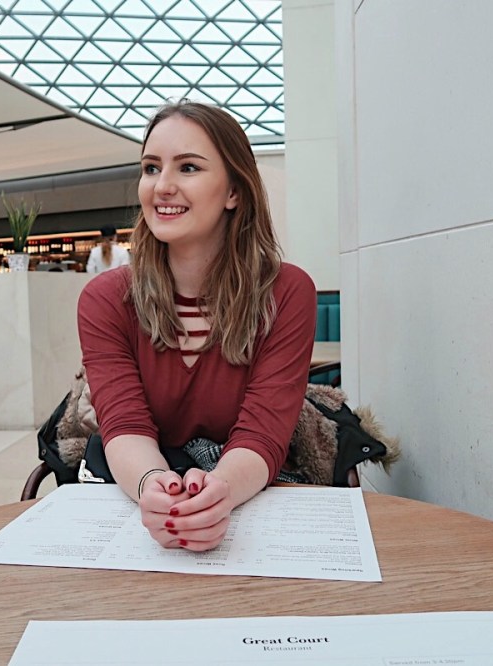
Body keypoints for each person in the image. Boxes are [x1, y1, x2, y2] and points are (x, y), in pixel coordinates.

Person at [77, 101, 316, 552]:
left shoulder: (287, 292)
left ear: (234, 192)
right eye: (151, 168)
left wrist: (217, 493)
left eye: (188, 167)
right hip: (133, 491)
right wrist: (153, 485)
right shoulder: (105, 299)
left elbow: (263, 431)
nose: (162, 186)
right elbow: (125, 424)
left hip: (248, 490)